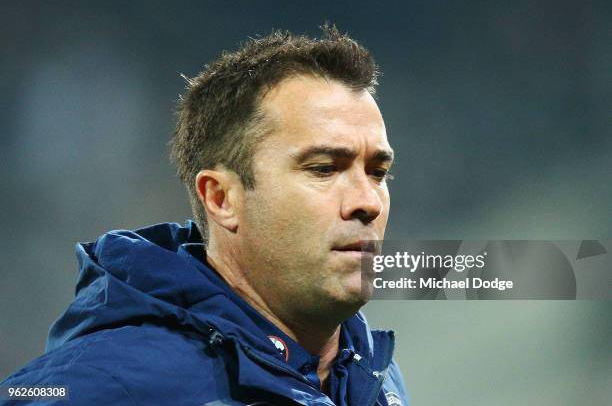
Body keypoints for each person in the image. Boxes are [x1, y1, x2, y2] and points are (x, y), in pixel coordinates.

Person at [0, 25, 408, 405]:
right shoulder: (104, 385)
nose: (368, 202)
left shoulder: (376, 378)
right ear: (221, 199)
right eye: (323, 168)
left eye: (378, 172)